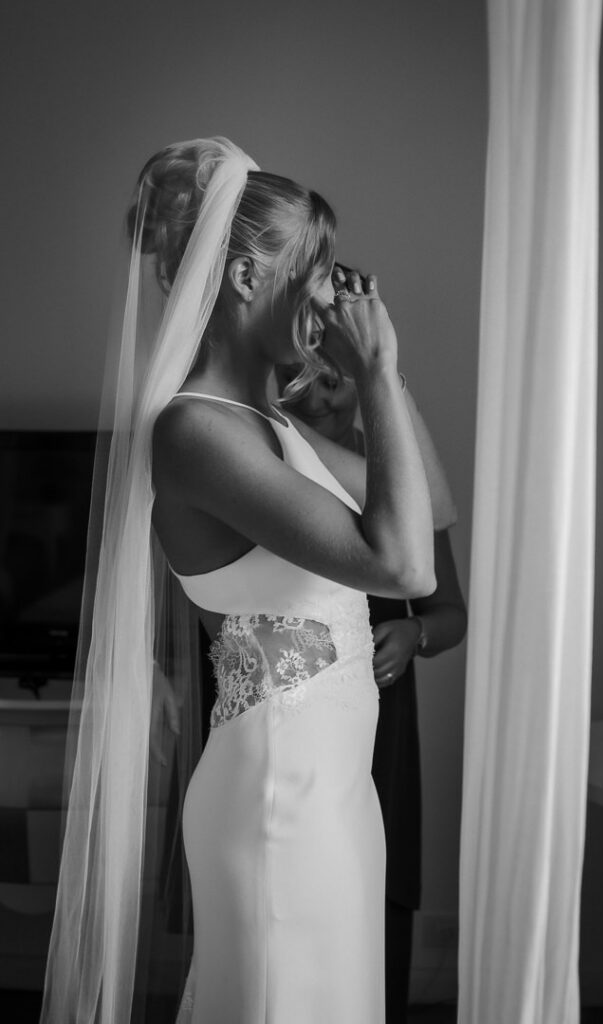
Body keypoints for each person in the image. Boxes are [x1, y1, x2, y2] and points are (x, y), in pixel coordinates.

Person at [39, 137, 435, 1024]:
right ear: (250, 278)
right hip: (275, 802)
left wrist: (383, 376)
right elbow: (404, 563)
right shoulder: (195, 433)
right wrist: (370, 369)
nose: (333, 292)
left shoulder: (269, 425)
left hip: (334, 793)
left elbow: (424, 502)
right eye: (318, 266)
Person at [276, 350, 467, 1023]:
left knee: (375, 883)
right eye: (298, 382)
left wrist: (414, 636)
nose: (322, 400)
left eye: (333, 381)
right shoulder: (264, 465)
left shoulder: (402, 471)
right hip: (290, 703)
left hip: (382, 714)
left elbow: (450, 614)